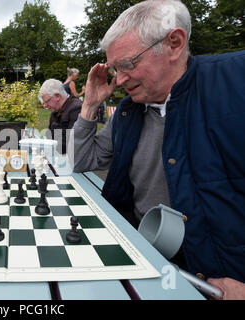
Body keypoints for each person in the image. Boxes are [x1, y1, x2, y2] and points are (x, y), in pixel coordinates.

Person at [71, 0, 245, 299]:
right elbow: (82, 160)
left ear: (174, 44)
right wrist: (89, 104)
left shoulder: (236, 81)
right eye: (115, 69)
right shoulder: (128, 111)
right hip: (151, 263)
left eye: (127, 64)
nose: (120, 79)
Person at [39, 79, 82, 154]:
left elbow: (71, 144)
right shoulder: (55, 112)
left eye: (47, 102)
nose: (46, 106)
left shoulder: (77, 108)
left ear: (57, 96)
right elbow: (50, 137)